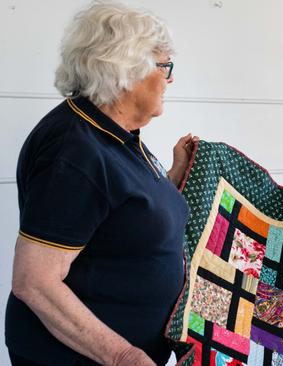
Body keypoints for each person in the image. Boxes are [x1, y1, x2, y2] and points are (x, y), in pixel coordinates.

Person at [4, 3, 198, 365]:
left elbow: (125, 215)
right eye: (164, 65)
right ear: (125, 69)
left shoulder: (116, 134)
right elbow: (35, 281)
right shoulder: (74, 151)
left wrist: (174, 177)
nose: (170, 79)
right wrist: (124, 355)